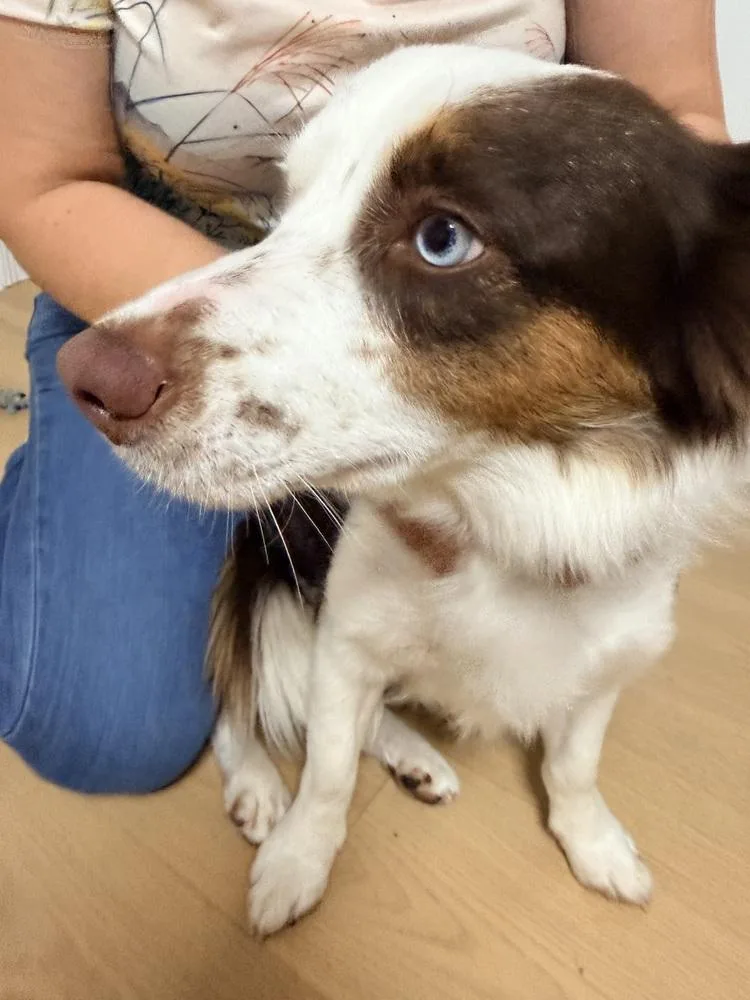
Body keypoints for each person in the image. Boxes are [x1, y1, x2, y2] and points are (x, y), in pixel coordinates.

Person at [0, 1, 728, 793]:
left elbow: (684, 154)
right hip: (141, 247)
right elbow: (41, 179)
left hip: (466, 272)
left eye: (439, 237)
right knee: (100, 732)